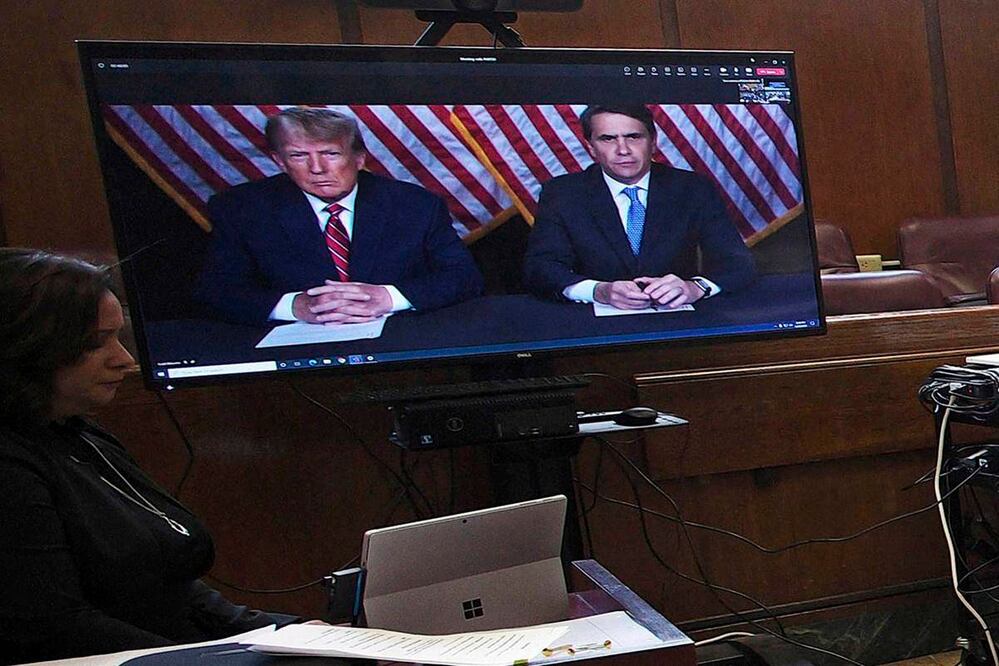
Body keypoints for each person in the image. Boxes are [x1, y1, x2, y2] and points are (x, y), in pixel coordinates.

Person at [0, 249, 298, 662]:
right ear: (27, 349)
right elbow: (53, 627)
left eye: (119, 338)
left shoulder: (81, 435)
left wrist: (282, 632)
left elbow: (167, 585)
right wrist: (219, 659)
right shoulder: (11, 465)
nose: (125, 361)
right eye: (95, 344)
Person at [195, 107, 484, 326]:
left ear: (359, 159)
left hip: (397, 340)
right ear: (279, 161)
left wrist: (388, 297)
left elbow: (463, 277)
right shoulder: (240, 209)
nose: (317, 168)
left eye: (330, 153)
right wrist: (293, 306)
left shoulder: (417, 205)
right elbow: (215, 290)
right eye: (298, 156)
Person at [522, 104, 756, 310]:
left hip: (676, 322)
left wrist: (696, 287)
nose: (623, 149)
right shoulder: (562, 193)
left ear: (653, 141)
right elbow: (541, 268)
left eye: (633, 137)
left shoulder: (693, 188)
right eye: (608, 138)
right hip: (593, 327)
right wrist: (598, 291)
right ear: (591, 147)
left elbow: (737, 262)